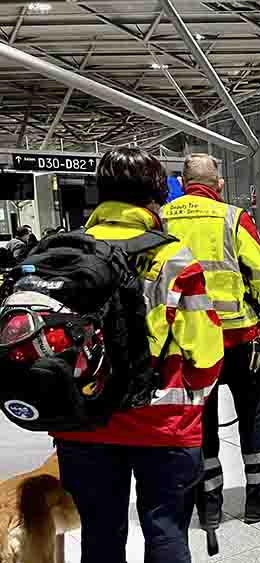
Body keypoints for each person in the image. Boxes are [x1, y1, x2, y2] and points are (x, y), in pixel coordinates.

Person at [51, 147, 225, 563]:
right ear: (155, 197)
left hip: (84, 421)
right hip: (161, 422)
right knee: (165, 529)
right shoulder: (173, 257)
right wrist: (193, 392)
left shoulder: (67, 256)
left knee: (100, 532)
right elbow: (205, 350)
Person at [161, 154, 260, 531]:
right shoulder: (232, 217)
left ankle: (208, 504)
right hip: (240, 337)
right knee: (252, 414)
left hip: (187, 343)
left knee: (200, 423)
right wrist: (259, 302)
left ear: (183, 182)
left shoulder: (165, 219)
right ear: (218, 184)